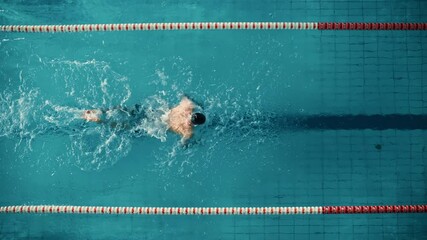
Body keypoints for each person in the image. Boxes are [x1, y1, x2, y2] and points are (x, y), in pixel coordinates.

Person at [81, 96, 206, 140]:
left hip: (153, 113)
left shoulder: (187, 106)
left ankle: (98, 112)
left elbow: (184, 95)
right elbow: (184, 144)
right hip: (154, 127)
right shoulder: (188, 130)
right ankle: (100, 121)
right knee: (125, 127)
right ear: (194, 124)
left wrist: (200, 105)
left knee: (125, 110)